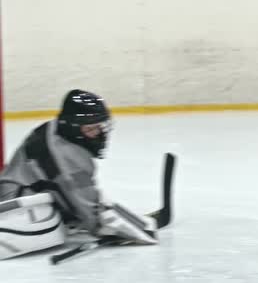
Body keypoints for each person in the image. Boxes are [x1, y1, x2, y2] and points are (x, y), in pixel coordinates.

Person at [0, 89, 157, 259]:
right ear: (73, 127)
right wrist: (107, 227)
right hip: (17, 205)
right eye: (91, 128)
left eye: (100, 127)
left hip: (16, 188)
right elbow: (88, 209)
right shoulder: (69, 158)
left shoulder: (55, 128)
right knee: (55, 223)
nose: (99, 133)